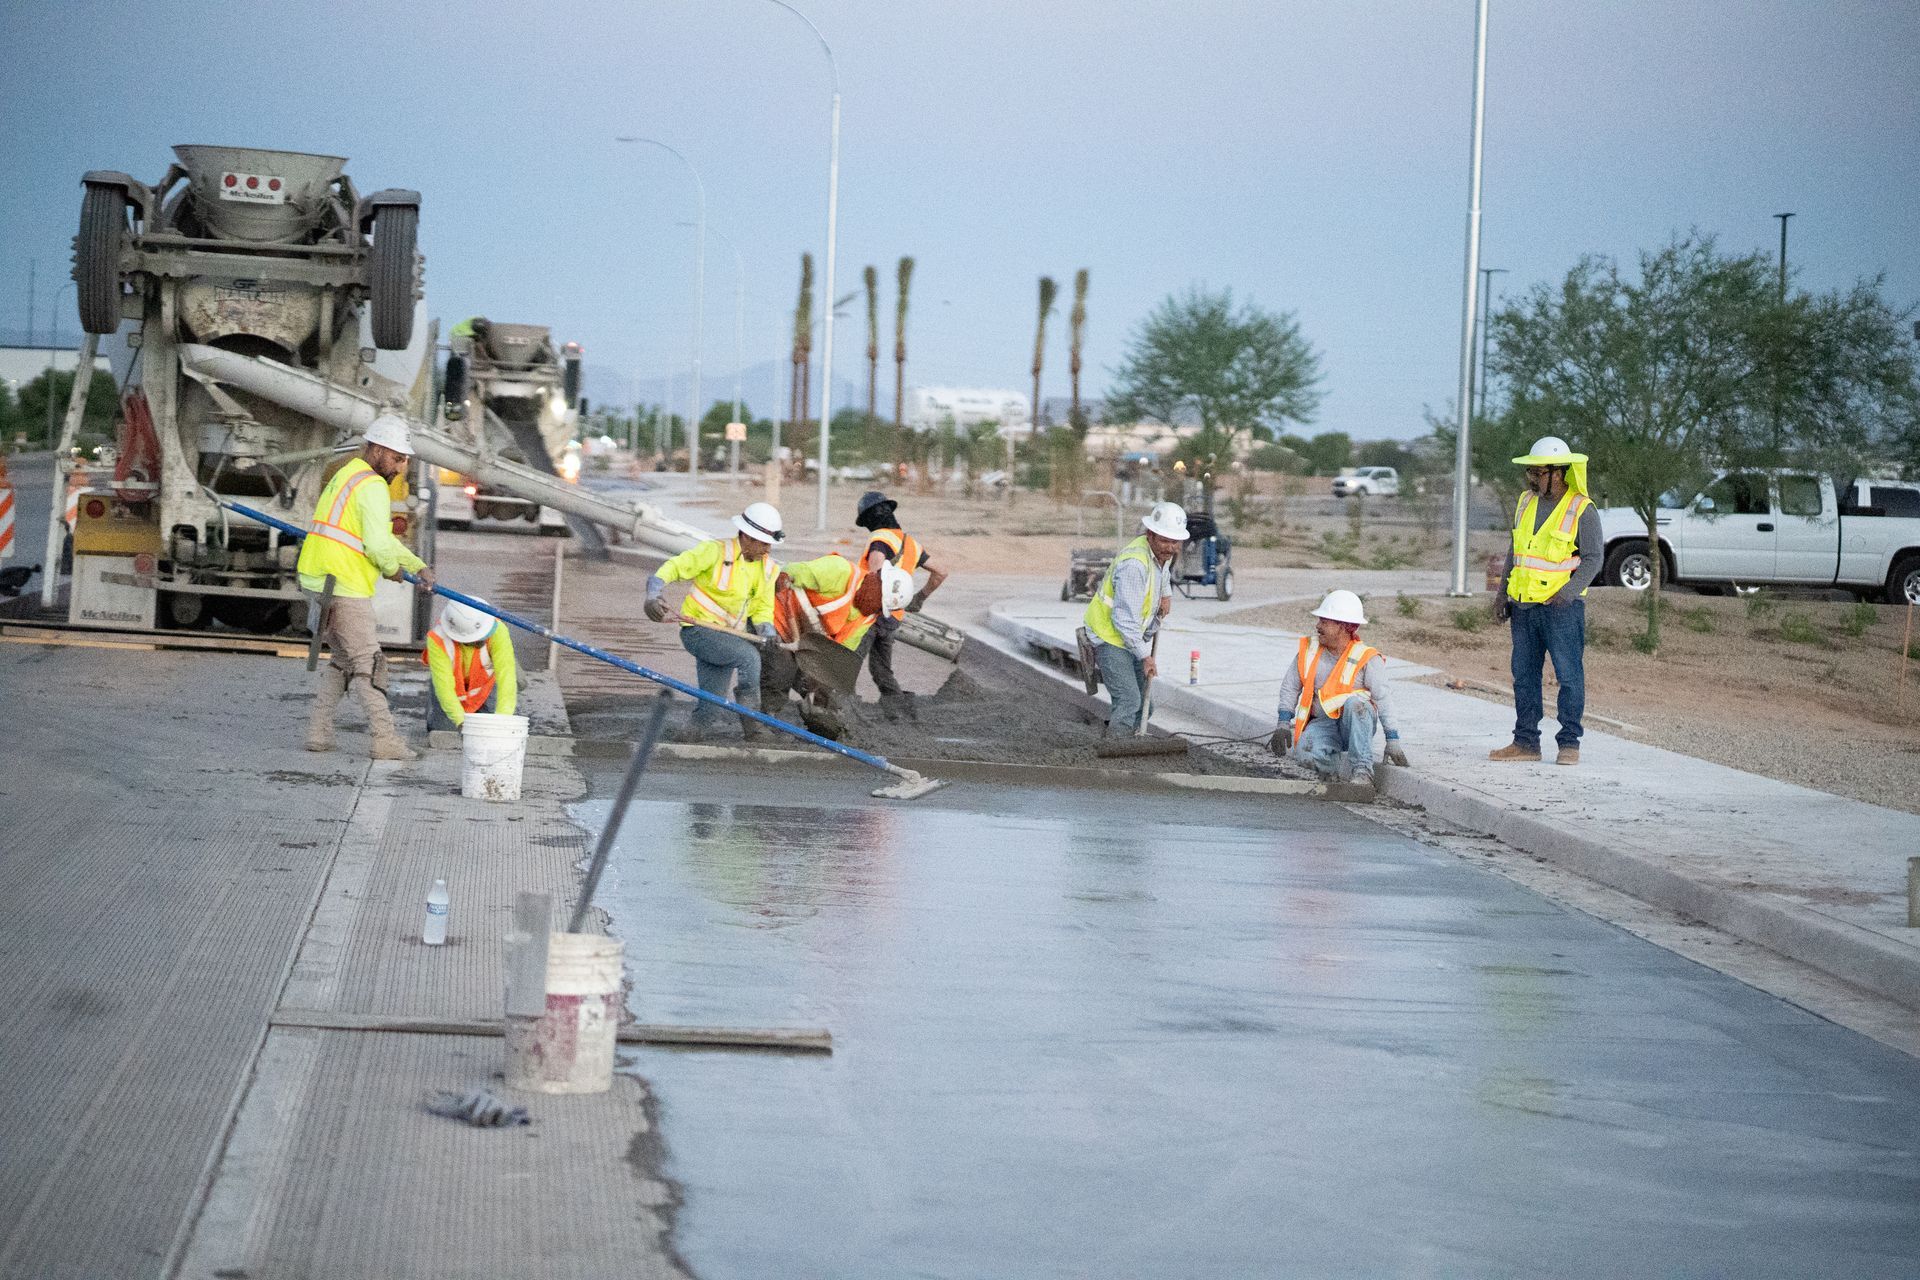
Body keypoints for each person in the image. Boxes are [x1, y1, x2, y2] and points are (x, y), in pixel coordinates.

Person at [297, 414, 436, 760]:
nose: (400, 467)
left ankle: (318, 731)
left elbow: (378, 539)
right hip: (343, 584)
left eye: (404, 460)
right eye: (395, 458)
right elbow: (377, 545)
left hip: (319, 578)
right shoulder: (372, 485)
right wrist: (392, 569)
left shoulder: (347, 474)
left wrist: (416, 566)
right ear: (375, 449)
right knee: (371, 662)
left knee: (343, 660)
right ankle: (384, 738)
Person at [1490, 435, 1602, 766]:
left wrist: (1567, 594)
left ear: (1558, 472)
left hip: (1561, 611)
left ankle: (1569, 743)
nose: (1532, 479)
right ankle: (1525, 743)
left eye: (1538, 473)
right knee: (1524, 676)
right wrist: (1502, 592)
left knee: (1569, 675)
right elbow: (1516, 550)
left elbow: (1594, 558)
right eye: (1531, 473)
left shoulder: (1582, 508)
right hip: (1523, 607)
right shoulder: (1526, 502)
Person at [644, 502, 783, 739]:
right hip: (698, 631)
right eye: (762, 543)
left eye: (769, 543)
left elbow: (762, 608)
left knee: (711, 707)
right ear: (747, 537)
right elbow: (676, 567)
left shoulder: (769, 570)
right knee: (749, 658)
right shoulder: (715, 552)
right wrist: (654, 592)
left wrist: (767, 630)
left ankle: (691, 733)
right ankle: (754, 728)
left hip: (728, 636)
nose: (766, 549)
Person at [762, 554, 913, 739]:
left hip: (805, 643)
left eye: (881, 608)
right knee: (781, 672)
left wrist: (820, 683)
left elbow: (837, 654)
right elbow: (790, 572)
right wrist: (785, 580)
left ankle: (821, 731)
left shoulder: (866, 619)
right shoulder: (840, 571)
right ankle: (764, 725)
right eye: (879, 601)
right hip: (777, 621)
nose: (876, 609)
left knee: (823, 692)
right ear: (875, 580)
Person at [1270, 590, 1409, 786]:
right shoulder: (1309, 651)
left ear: (1343, 627)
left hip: (1355, 723)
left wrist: (1392, 740)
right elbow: (1290, 687)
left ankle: (1363, 772)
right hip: (1322, 725)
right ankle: (1332, 775)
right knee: (1306, 754)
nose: (1318, 626)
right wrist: (1283, 723)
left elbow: (1383, 698)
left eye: (1324, 621)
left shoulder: (1366, 657)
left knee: (1355, 704)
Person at [1081, 502, 1187, 735]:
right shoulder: (1134, 565)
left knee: (1145, 708)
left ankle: (1130, 740)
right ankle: (1116, 750)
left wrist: (1166, 595)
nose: (1170, 548)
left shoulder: (1161, 554)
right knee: (1130, 700)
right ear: (1150, 535)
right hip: (1109, 635)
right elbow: (1123, 619)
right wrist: (1144, 656)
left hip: (1128, 636)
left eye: (1175, 542)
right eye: (1165, 541)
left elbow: (1163, 572)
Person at [853, 489, 949, 716]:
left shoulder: (880, 540)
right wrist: (919, 598)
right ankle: (899, 712)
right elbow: (941, 572)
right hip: (892, 619)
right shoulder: (912, 544)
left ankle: (842, 706)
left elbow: (875, 573)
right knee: (881, 669)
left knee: (849, 659)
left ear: (870, 519)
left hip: (871, 615)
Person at [422, 598, 518, 733]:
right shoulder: (437, 640)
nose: (484, 638)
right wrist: (460, 721)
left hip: (485, 683)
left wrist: (503, 719)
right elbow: (444, 687)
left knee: (490, 727)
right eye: (477, 638)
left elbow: (506, 675)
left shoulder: (497, 629)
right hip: (453, 684)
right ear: (460, 638)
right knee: (441, 731)